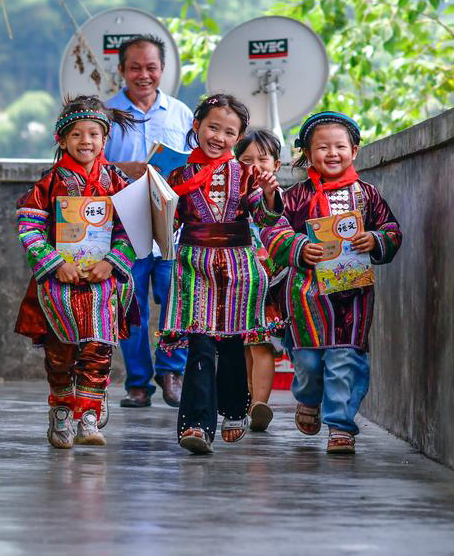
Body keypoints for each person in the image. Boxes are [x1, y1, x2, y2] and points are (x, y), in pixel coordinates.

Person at [261, 112, 403, 455]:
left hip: (353, 296)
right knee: (308, 363)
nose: (332, 153)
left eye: (340, 146)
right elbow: (273, 229)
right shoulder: (297, 196)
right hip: (306, 296)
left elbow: (392, 230)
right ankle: (308, 399)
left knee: (345, 359)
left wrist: (375, 238)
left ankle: (341, 426)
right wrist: (297, 247)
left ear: (354, 150)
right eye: (322, 147)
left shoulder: (368, 195)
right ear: (308, 154)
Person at [14, 96, 139, 449]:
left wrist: (112, 262)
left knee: (99, 348)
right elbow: (29, 228)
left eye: (94, 135)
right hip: (60, 283)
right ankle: (61, 411)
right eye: (77, 135)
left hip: (102, 283)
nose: (86, 142)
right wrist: (57, 264)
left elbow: (131, 229)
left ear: (105, 138)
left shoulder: (117, 181)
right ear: (62, 140)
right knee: (60, 352)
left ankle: (88, 413)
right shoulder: (48, 184)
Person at [161, 94, 283, 454]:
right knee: (199, 346)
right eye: (212, 127)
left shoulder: (246, 174)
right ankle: (196, 425)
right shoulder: (178, 175)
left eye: (230, 132)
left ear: (238, 137)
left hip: (238, 269)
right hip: (193, 266)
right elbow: (169, 221)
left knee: (231, 346)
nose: (219, 137)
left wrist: (269, 195)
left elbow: (263, 217)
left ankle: (234, 409)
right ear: (196, 126)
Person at [104, 34, 194, 409]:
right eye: (135, 67)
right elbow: (89, 165)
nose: (144, 75)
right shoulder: (106, 115)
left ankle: (171, 371)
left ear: (162, 70)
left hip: (172, 228)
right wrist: (122, 168)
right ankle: (138, 383)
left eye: (151, 67)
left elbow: (198, 164)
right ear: (122, 70)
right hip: (124, 228)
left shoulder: (181, 114)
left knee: (178, 300)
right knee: (130, 306)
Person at [233, 129, 287, 432]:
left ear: (276, 165)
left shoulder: (277, 197)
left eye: (262, 160)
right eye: (246, 160)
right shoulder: (234, 195)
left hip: (266, 284)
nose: (254, 166)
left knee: (261, 344)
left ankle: (258, 405)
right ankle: (251, 400)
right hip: (238, 282)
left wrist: (268, 193)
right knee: (245, 346)